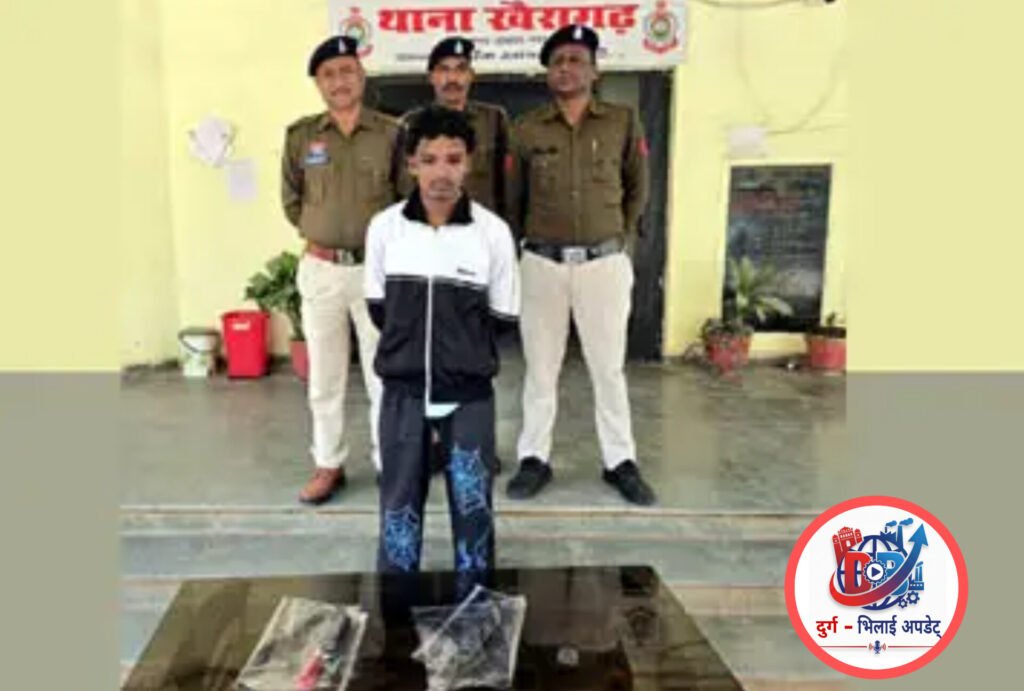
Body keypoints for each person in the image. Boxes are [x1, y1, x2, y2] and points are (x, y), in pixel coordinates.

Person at [505, 24, 656, 506]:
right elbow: (513, 198)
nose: (566, 68)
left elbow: (638, 187)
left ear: (594, 70)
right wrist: (527, 246)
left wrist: (615, 237)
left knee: (608, 368)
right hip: (542, 264)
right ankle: (534, 457)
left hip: (602, 265)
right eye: (558, 62)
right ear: (547, 73)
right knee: (540, 369)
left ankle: (620, 461)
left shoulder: (622, 122)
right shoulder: (526, 129)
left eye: (576, 60)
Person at [365, 105, 519, 574]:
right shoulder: (385, 229)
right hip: (403, 393)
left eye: (453, 160)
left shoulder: (492, 233)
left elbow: (503, 316)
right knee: (398, 504)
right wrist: (414, 354)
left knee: (473, 505)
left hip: (468, 395)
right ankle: (397, 601)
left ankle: (475, 597)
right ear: (411, 164)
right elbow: (379, 309)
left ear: (468, 163)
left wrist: (460, 354)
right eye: (429, 160)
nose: (441, 173)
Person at [281, 35, 401, 504]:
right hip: (322, 269)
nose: (339, 81)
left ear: (362, 76)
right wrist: (323, 231)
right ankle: (328, 463)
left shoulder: (392, 133)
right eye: (328, 74)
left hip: (376, 270)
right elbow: (292, 200)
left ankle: (389, 462)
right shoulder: (301, 136)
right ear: (318, 84)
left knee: (383, 374)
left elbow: (406, 200)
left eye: (347, 70)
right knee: (325, 377)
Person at [397, 36, 513, 475]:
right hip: (427, 248)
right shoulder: (411, 123)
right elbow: (400, 187)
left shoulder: (494, 120)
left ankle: (475, 443)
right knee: (426, 351)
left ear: (471, 76)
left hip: (478, 253)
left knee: (476, 352)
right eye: (443, 69)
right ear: (432, 77)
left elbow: (508, 185)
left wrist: (505, 244)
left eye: (460, 69)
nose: (452, 78)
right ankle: (430, 443)